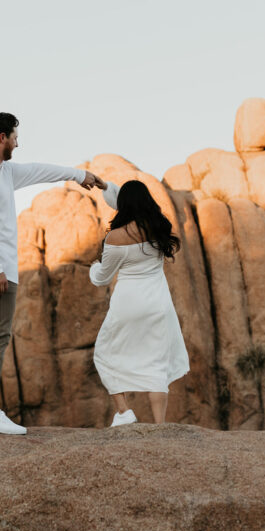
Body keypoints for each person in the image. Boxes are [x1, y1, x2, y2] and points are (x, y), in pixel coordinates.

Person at [0, 112, 106, 435]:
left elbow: (41, 170)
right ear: (2, 138)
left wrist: (79, 174)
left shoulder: (3, 171)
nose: (17, 142)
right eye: (14, 136)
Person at [89, 180, 190, 426]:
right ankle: (160, 425)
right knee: (156, 364)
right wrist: (109, 190)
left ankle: (124, 412)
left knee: (104, 354)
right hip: (158, 305)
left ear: (122, 205)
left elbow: (102, 279)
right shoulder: (159, 228)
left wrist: (94, 266)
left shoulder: (115, 238)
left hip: (128, 306)